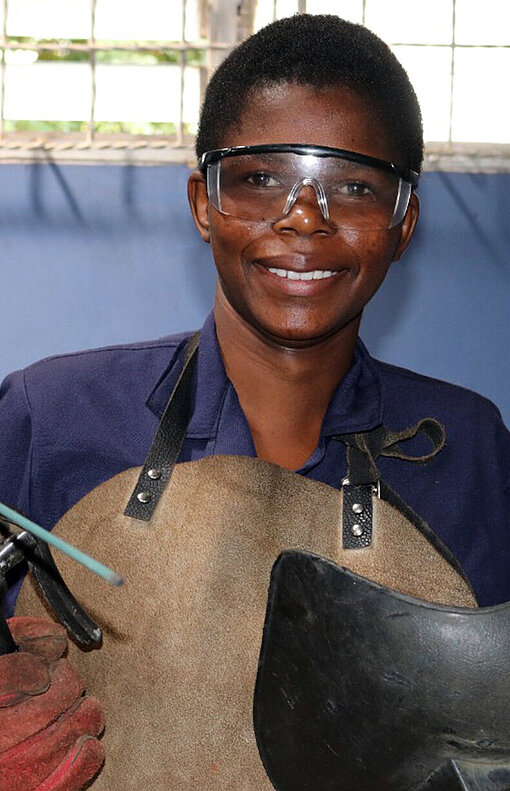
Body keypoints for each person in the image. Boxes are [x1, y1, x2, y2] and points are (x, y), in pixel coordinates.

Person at [0, 13, 509, 789]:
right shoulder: (52, 414)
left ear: (404, 223)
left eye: (355, 186)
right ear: (204, 202)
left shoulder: (469, 447)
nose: (305, 216)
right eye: (261, 177)